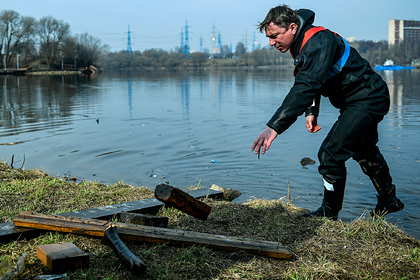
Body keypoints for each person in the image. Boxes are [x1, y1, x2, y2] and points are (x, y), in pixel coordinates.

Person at [251, 4, 404, 220]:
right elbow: (313, 77)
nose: (271, 42)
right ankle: (390, 200)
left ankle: (328, 214)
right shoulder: (303, 41)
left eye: (275, 36)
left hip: (368, 98)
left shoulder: (317, 41)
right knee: (364, 150)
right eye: (269, 37)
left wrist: (274, 126)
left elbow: (306, 86)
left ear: (292, 27)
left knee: (330, 154)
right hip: (358, 101)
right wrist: (311, 112)